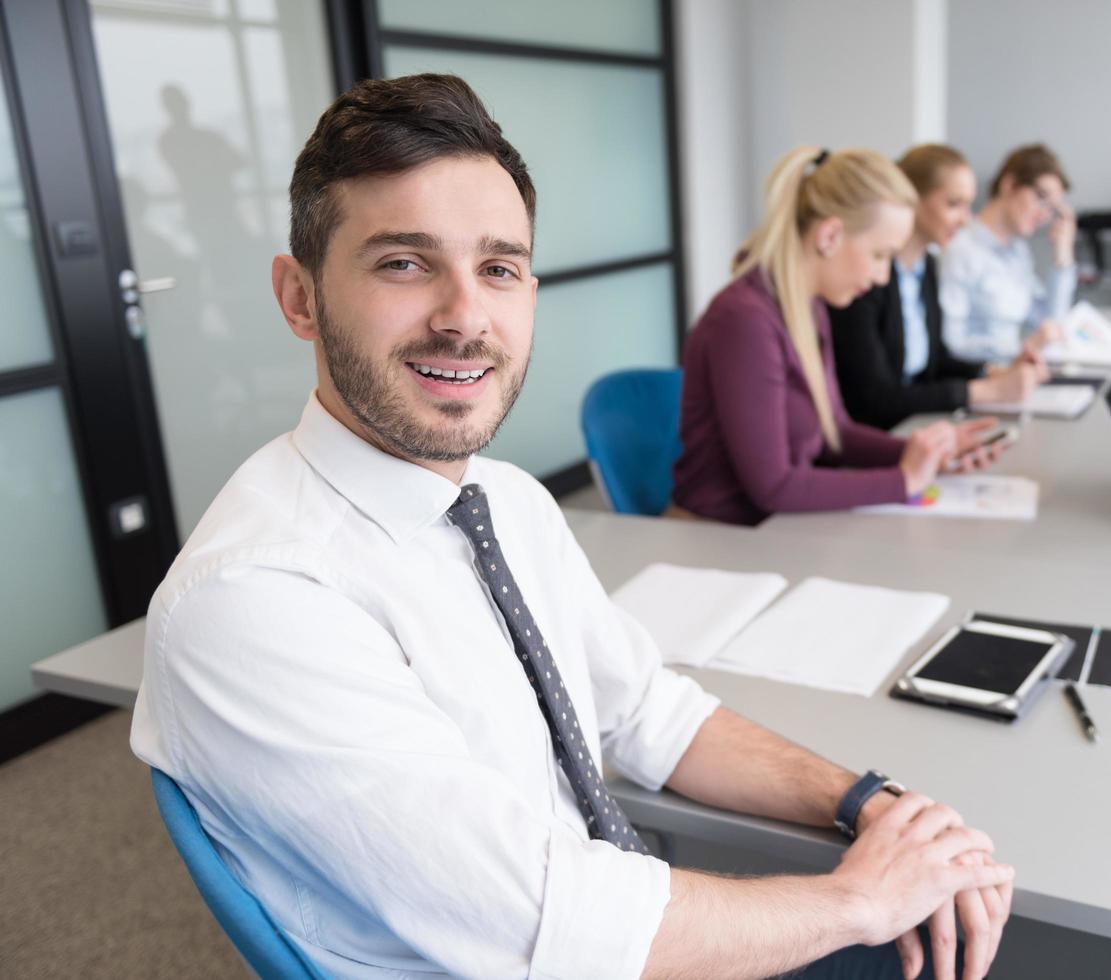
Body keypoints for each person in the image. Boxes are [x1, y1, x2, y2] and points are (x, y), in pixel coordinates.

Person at [130, 75, 1014, 979]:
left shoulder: (506, 502)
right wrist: (858, 897)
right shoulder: (256, 599)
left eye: (499, 269)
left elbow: (646, 713)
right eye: (403, 262)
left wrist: (865, 804)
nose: (465, 317)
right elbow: (551, 920)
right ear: (301, 297)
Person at [672, 146, 1008, 526]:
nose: (884, 277)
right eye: (881, 255)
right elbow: (774, 486)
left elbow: (835, 435)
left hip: (774, 532)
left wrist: (923, 454)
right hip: (719, 541)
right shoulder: (743, 320)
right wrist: (904, 479)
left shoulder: (809, 307)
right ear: (829, 236)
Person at [829, 143, 1048, 430]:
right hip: (881, 434)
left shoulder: (926, 266)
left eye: (968, 205)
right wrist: (985, 392)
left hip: (918, 425)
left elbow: (934, 361)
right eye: (953, 204)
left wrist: (993, 372)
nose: (966, 218)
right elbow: (873, 400)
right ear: (912, 199)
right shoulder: (867, 278)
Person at [939, 144, 1077, 364]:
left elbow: (1049, 322)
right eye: (1042, 197)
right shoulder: (961, 248)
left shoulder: (1017, 251)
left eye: (1052, 208)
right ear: (1009, 184)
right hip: (983, 378)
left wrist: (1063, 256)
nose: (1044, 214)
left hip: (1013, 373)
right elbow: (951, 343)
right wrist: (1023, 347)